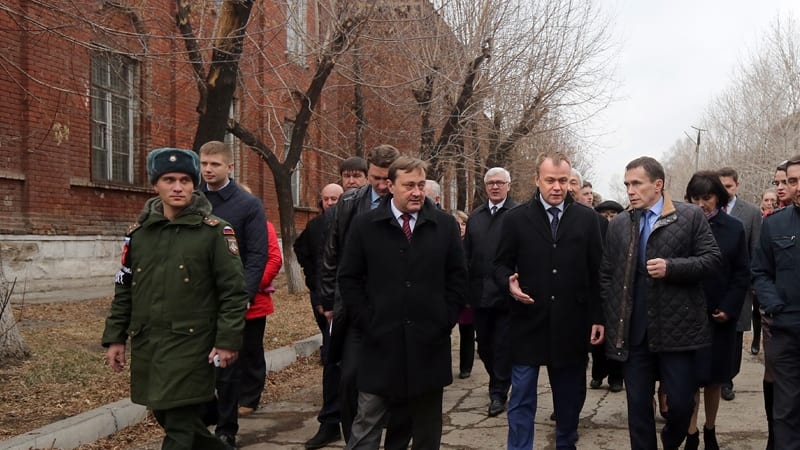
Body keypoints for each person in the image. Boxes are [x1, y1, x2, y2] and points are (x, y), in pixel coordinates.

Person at [102, 147, 248, 450]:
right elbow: (125, 288)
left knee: (179, 425)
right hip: (149, 342)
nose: (178, 187)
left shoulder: (214, 232)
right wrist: (116, 337)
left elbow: (233, 292)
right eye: (169, 180)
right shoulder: (139, 234)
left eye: (185, 180)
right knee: (168, 415)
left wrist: (227, 340)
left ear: (194, 184)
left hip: (192, 345)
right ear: (155, 184)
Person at [338, 156, 467, 449]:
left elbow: (458, 278)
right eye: (409, 186)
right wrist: (367, 321)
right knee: (368, 419)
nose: (417, 192)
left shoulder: (444, 225)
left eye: (421, 185)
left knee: (425, 428)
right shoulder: (365, 225)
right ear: (390, 186)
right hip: (380, 341)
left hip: (428, 343)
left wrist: (444, 319)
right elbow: (349, 279)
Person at [600, 156, 721, 450]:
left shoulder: (689, 216)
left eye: (636, 184)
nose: (630, 190)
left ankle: (670, 440)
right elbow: (606, 274)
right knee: (638, 407)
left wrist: (672, 267)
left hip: (676, 330)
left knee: (680, 405)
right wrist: (611, 314)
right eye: (627, 184)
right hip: (633, 332)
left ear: (658, 185)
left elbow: (712, 260)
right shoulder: (619, 224)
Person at [494, 152, 604, 450]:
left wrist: (598, 317)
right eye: (550, 180)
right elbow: (500, 264)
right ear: (537, 180)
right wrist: (508, 283)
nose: (557, 187)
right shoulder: (516, 219)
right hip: (527, 321)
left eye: (563, 181)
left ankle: (566, 444)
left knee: (568, 400)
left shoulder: (587, 219)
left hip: (572, 323)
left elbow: (597, 272)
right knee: (521, 398)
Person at [320, 144, 401, 443]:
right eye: (375, 178)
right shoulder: (350, 202)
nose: (381, 185)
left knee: (392, 378)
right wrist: (327, 299)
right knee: (349, 376)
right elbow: (332, 251)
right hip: (353, 305)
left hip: (393, 306)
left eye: (387, 179)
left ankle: (387, 430)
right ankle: (353, 439)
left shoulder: (405, 201)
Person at [199, 140, 268, 446]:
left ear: (230, 167)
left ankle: (226, 430)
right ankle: (199, 422)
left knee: (227, 367)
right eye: (204, 163)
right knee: (197, 366)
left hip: (230, 298)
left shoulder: (247, 204)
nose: (208, 170)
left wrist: (242, 297)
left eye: (214, 164)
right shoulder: (193, 199)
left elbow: (256, 256)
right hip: (195, 299)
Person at [683, 171, 749, 450]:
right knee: (688, 381)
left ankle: (710, 428)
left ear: (718, 198)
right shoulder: (681, 225)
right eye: (695, 198)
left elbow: (741, 273)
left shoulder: (734, 228)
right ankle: (691, 433)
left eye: (707, 198)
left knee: (714, 380)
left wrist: (729, 308)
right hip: (686, 317)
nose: (701, 204)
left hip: (719, 316)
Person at [752, 154, 800, 450]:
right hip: (786, 332)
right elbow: (760, 271)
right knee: (786, 410)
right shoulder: (775, 224)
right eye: (793, 181)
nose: (797, 187)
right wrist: (775, 306)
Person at [294, 182, 346, 449]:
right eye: (326, 199)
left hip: (358, 301)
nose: (330, 203)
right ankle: (331, 421)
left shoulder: (360, 218)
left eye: (335, 199)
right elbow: (305, 255)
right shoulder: (315, 226)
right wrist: (317, 292)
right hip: (328, 304)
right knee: (332, 358)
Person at [464, 167, 519, 417]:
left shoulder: (518, 214)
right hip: (480, 295)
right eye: (491, 183)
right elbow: (466, 255)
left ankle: (498, 392)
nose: (495, 187)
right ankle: (498, 379)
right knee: (485, 346)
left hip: (507, 295)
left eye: (500, 182)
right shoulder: (476, 217)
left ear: (509, 185)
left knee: (503, 346)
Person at [717, 167, 762, 400]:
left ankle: (727, 380)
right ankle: (711, 376)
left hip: (739, 284)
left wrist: (753, 283)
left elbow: (755, 250)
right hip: (713, 283)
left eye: (729, 186)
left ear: (737, 185)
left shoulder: (751, 213)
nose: (725, 191)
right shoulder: (706, 209)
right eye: (721, 186)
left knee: (734, 336)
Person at [237, 219, 282, 416]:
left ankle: (249, 397)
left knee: (250, 349)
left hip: (254, 301)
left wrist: (251, 285)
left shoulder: (263, 226)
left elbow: (274, 259)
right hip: (218, 301)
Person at [452, 210, 474, 379]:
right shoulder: (447, 242)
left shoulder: (472, 243)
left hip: (468, 295)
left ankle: (466, 366)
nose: (460, 227)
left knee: (467, 331)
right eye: (457, 224)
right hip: (451, 295)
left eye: (464, 223)